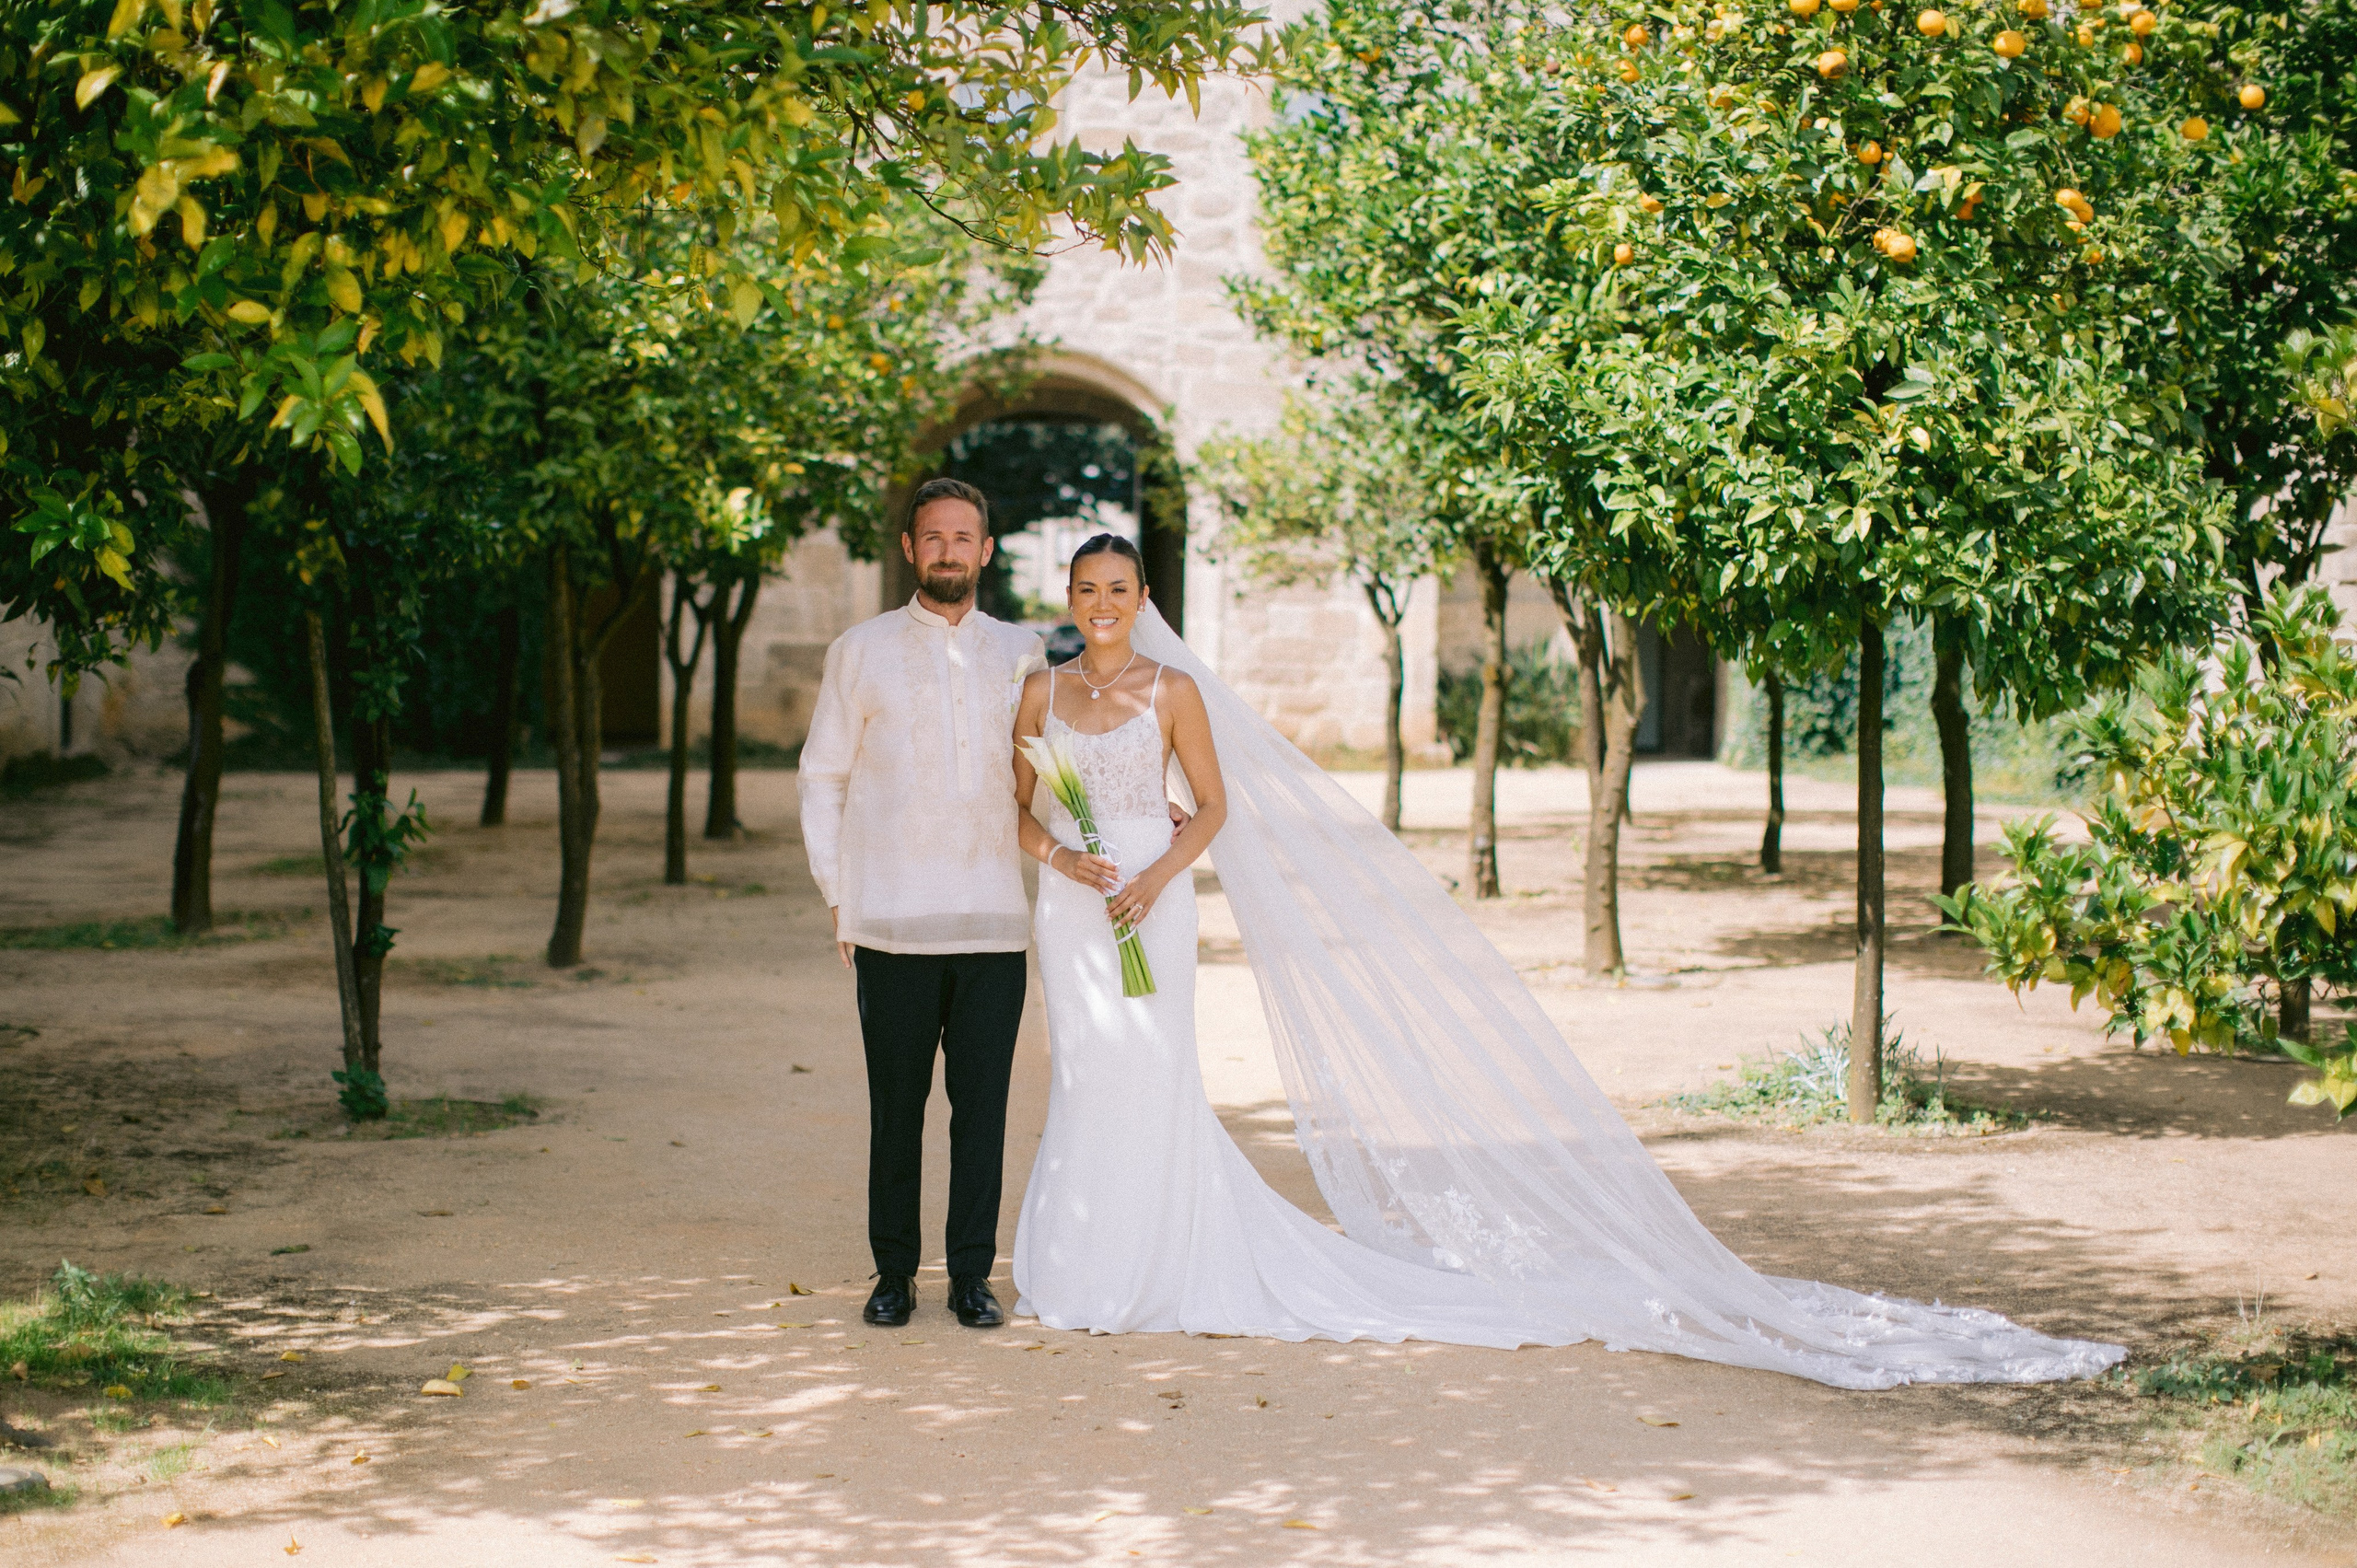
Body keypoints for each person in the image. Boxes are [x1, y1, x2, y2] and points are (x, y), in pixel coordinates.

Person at [1005, 532, 2127, 1388]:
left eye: (1120, 590)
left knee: (1152, 1076)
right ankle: (1085, 1262)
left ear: (1145, 600)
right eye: (1086, 591)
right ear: (1069, 601)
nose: (1102, 608)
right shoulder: (1042, 692)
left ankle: (1160, 1259)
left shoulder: (1174, 691)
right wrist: (1065, 857)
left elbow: (1212, 810)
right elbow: (1017, 814)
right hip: (1074, 912)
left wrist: (1154, 877)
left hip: (1149, 910)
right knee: (1087, 1074)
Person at [797, 478, 1042, 1331]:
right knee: (895, 1111)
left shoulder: (1021, 652)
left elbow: (1055, 766)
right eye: (931, 537)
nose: (947, 551)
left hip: (992, 923)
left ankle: (972, 1275)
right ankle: (893, 1272)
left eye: (962, 537)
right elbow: (823, 776)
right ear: (909, 548)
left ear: (985, 549)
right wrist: (842, 895)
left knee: (983, 1113)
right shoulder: (859, 650)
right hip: (892, 924)